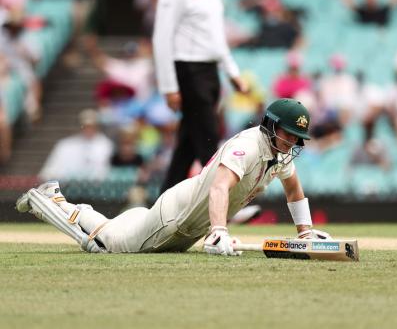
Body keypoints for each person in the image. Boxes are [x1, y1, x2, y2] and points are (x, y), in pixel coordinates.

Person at [17, 99, 332, 254]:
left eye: (296, 137)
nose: (291, 141)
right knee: (105, 245)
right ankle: (44, 200)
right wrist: (220, 231)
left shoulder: (278, 153)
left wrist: (305, 232)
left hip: (188, 221)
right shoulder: (248, 146)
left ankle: (60, 199)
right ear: (271, 125)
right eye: (287, 134)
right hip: (175, 219)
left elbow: (293, 189)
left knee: (110, 230)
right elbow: (221, 187)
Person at [152, 0, 248, 194]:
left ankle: (162, 202)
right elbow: (162, 38)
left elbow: (216, 36)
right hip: (187, 69)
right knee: (207, 139)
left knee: (188, 143)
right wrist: (169, 86)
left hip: (208, 71)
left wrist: (232, 72)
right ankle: (224, 200)